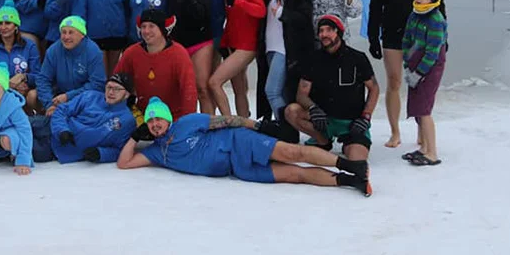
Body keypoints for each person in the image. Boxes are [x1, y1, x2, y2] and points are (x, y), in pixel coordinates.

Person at [116, 97, 372, 196]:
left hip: (239, 142)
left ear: (168, 118)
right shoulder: (157, 152)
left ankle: (352, 165)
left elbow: (227, 120)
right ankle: (352, 181)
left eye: (158, 118)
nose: (155, 124)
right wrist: (135, 137)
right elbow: (124, 163)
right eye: (150, 122)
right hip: (237, 168)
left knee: (294, 153)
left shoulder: (187, 122)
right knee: (296, 175)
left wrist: (256, 127)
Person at [367, 0, 440, 148]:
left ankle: (421, 130)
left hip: (420, 34)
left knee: (418, 82)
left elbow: (438, 3)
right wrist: (373, 36)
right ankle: (395, 132)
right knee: (395, 81)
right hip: (392, 33)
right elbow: (375, 5)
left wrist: (442, 37)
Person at [284, 15, 378, 162]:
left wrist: (366, 117)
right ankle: (322, 140)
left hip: (351, 123)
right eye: (321, 31)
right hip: (325, 120)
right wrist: (313, 108)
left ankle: (349, 142)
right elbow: (301, 94)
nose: (324, 34)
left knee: (357, 159)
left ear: (338, 32)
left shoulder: (357, 58)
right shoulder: (313, 59)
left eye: (329, 30)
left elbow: (374, 88)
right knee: (291, 111)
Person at [208, 0, 266, 117]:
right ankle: (243, 122)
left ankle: (229, 120)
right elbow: (232, 21)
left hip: (245, 47)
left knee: (214, 82)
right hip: (234, 44)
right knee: (239, 89)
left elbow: (260, 11)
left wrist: (238, 2)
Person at [262, 0, 313, 135]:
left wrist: (283, 13)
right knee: (282, 93)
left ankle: (287, 130)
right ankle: (285, 128)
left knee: (272, 91)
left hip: (285, 48)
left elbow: (304, 17)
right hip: (271, 47)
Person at [31, 73, 136, 164]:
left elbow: (121, 150)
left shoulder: (127, 120)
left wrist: (101, 154)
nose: (111, 92)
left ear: (126, 94)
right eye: (109, 87)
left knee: (17, 144)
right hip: (49, 125)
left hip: (57, 150)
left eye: (117, 89)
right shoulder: (91, 96)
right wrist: (62, 130)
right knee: (19, 123)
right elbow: (62, 110)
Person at [114, 9, 197, 120]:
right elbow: (116, 82)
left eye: (151, 26)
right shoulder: (132, 53)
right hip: (143, 115)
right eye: (143, 26)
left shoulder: (179, 54)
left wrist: (188, 122)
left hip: (174, 117)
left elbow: (189, 90)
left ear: (162, 30)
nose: (146, 31)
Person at [401, 0, 448, 166]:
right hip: (414, 64)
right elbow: (407, 39)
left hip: (429, 68)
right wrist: (407, 63)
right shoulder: (415, 14)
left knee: (424, 109)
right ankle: (424, 148)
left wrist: (419, 73)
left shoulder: (435, 19)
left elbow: (433, 51)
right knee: (417, 108)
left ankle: (432, 153)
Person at [234, 0, 278, 120]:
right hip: (237, 31)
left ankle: (265, 117)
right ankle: (244, 116)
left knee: (265, 75)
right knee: (238, 78)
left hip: (264, 29)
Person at [165, 0, 214, 113]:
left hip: (200, 42)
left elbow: (204, 13)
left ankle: (209, 125)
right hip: (178, 44)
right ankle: (188, 124)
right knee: (182, 89)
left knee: (202, 88)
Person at [0, 1, 42, 114]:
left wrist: (24, 77)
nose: (3, 27)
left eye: (8, 23)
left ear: (16, 26)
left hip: (22, 92)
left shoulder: (29, 46)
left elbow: (38, 76)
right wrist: (8, 84)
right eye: (0, 23)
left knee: (30, 96)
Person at [36, 16, 106, 116]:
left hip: (84, 97)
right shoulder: (53, 50)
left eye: (71, 32)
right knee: (32, 95)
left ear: (82, 35)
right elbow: (43, 79)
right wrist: (49, 104)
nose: (66, 37)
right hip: (58, 96)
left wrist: (69, 96)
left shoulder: (93, 51)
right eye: (63, 32)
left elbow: (97, 84)